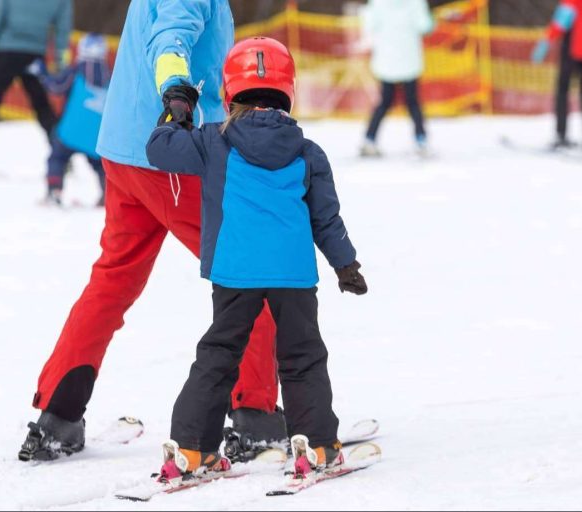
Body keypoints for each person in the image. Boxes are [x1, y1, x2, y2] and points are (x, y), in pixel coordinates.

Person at [18, 0, 284, 462]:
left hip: (124, 152)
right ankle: (256, 414)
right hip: (172, 156)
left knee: (113, 278)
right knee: (253, 267)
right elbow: (170, 40)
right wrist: (176, 93)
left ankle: (58, 415)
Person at [145, 37, 368, 480]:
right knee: (302, 356)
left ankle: (191, 449)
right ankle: (318, 444)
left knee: (219, 354)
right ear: (287, 89)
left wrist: (178, 110)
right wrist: (346, 265)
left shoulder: (212, 141)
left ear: (230, 90)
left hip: (236, 271)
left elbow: (159, 148)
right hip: (293, 275)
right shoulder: (307, 151)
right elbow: (326, 218)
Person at [0, 0, 73, 169]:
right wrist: (60, 61)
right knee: (44, 108)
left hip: (4, 54)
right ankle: (62, 157)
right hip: (35, 56)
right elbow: (63, 28)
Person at [28, 34, 112, 207]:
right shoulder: (110, 76)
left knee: (57, 158)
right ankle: (108, 193)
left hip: (71, 131)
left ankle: (54, 191)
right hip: (97, 135)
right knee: (100, 165)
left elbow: (56, 87)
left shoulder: (77, 70)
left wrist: (42, 72)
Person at [532, 0, 582, 153]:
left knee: (563, 88)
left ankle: (561, 135)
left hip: (574, 44)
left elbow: (565, 15)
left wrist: (547, 40)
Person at [360, 0, 434, 158]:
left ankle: (369, 139)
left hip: (386, 61)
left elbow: (368, 24)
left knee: (384, 102)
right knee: (413, 102)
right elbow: (425, 26)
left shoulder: (377, 3)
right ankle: (421, 140)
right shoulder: (416, 3)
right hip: (410, 61)